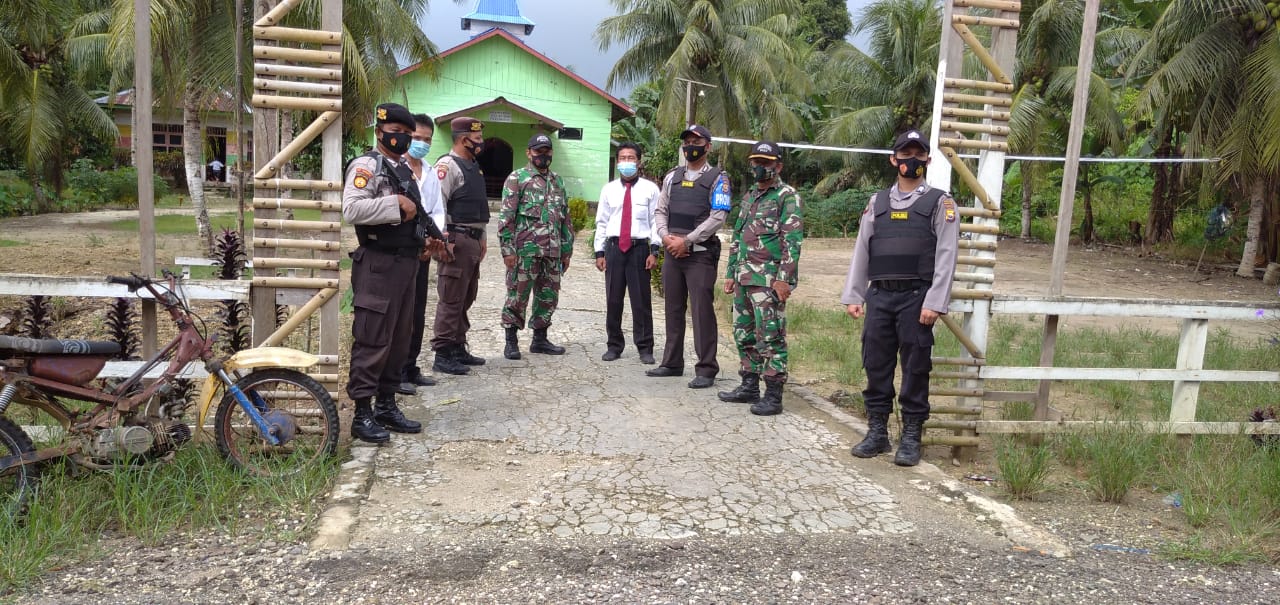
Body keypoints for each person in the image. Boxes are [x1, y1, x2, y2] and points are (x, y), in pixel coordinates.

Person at [842, 128, 959, 466]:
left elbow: (947, 255)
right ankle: (877, 432)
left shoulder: (941, 202)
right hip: (879, 296)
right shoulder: (877, 202)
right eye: (905, 154)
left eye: (918, 154)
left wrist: (934, 302)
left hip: (916, 298)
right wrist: (854, 295)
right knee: (876, 364)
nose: (912, 160)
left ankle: (911, 436)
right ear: (893, 160)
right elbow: (862, 249)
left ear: (928, 159)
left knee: (915, 367)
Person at [341, 102, 444, 443]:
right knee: (373, 339)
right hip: (378, 265)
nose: (401, 139)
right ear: (380, 132)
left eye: (406, 134)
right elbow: (352, 208)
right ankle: (362, 413)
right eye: (396, 133)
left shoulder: (402, 170)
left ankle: (386, 405)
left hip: (406, 265)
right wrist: (395, 204)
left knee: (399, 340)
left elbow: (420, 215)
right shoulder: (367, 166)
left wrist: (428, 241)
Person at [718, 141, 803, 416]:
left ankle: (774, 394)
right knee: (743, 333)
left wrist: (783, 280)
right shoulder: (750, 195)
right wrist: (730, 273)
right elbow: (738, 238)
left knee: (771, 336)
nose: (759, 167)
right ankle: (749, 386)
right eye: (756, 162)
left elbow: (792, 241)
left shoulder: (786, 196)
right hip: (744, 278)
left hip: (768, 281)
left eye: (765, 163)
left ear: (778, 166)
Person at [646, 124, 730, 389]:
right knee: (672, 308)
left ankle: (706, 369)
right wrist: (665, 236)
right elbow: (661, 210)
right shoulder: (672, 176)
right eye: (688, 141)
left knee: (701, 311)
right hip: (672, 251)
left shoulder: (719, 178)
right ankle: (671, 363)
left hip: (700, 255)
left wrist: (688, 240)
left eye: (697, 141)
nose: (691, 145)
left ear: (708, 146)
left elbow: (718, 216)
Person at [497, 134, 575, 359]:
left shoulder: (557, 181)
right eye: (538, 151)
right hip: (525, 252)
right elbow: (506, 218)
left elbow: (565, 219)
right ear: (529, 153)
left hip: (552, 252)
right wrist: (508, 250)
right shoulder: (517, 178)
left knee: (548, 296)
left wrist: (566, 251)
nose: (543, 155)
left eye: (547, 151)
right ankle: (511, 341)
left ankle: (540, 339)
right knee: (517, 296)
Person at [431, 117, 490, 376]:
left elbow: (479, 206)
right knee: (451, 297)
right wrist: (442, 240)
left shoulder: (473, 166)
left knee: (466, 296)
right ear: (463, 139)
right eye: (476, 139)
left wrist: (483, 237)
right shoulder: (447, 166)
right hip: (456, 239)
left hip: (473, 240)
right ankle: (443, 354)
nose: (480, 143)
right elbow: (437, 205)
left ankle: (457, 346)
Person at [593, 142, 659, 364]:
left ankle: (645, 347)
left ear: (639, 162)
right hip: (614, 249)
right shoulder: (608, 189)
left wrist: (655, 250)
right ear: (618, 161)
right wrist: (599, 252)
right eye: (623, 158)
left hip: (639, 249)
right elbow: (601, 221)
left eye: (631, 158)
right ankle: (614, 345)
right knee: (613, 299)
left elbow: (655, 222)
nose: (627, 162)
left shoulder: (650, 189)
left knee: (641, 300)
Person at [397, 113, 448, 395]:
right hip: (403, 250)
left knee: (418, 311)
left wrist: (432, 241)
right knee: (401, 313)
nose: (421, 143)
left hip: (425, 251)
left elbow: (437, 210)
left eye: (427, 139)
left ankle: (412, 366)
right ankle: (398, 371)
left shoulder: (429, 172)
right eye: (417, 138)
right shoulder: (396, 168)